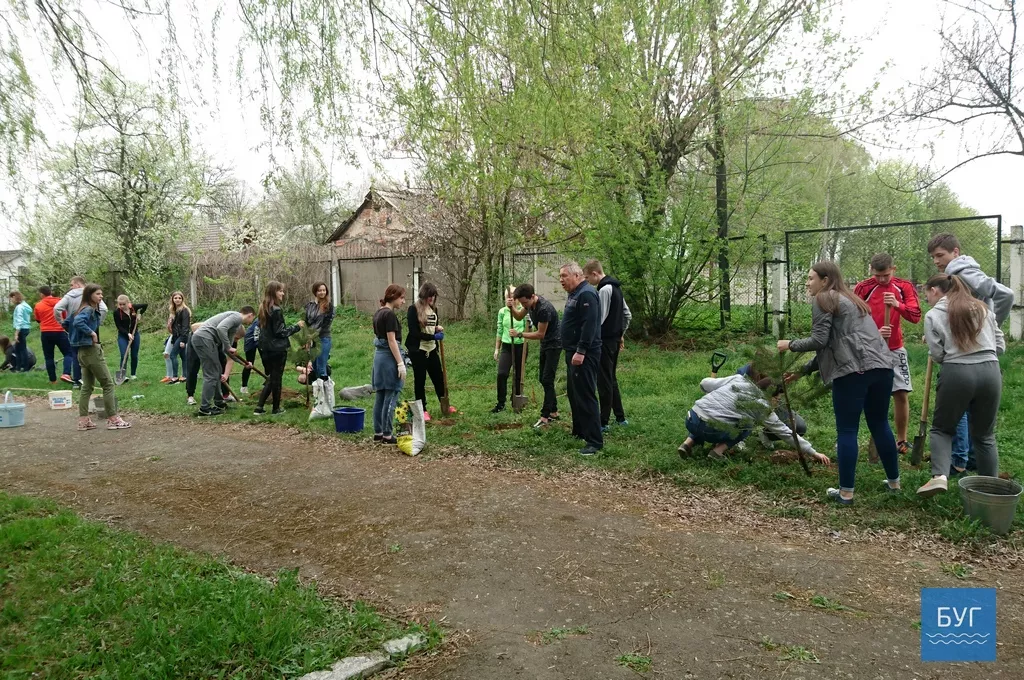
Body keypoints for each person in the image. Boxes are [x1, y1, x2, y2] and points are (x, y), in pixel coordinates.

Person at [778, 261, 900, 506]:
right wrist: (802, 371)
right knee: (879, 423)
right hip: (882, 367)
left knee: (847, 430)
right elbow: (838, 342)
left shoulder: (824, 299)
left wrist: (789, 344)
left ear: (825, 280)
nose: (807, 283)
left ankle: (846, 493)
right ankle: (894, 483)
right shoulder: (853, 300)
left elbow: (819, 340)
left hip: (853, 372)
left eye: (811, 278)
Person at [928, 233, 1015, 474]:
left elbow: (1005, 294)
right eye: (933, 257)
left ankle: (955, 464)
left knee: (950, 423)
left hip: (966, 354)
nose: (936, 261)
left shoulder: (961, 271)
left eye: (940, 255)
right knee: (982, 429)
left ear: (955, 252)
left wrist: (992, 323)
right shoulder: (956, 272)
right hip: (983, 359)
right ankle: (982, 477)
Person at [918, 274, 1005, 496]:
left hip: (957, 372)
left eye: (926, 293)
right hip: (990, 371)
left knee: (942, 429)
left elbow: (938, 355)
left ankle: (939, 476)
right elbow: (1000, 345)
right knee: (985, 436)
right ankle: (990, 491)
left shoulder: (934, 314)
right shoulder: (982, 308)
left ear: (936, 291)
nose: (926, 297)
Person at [678, 366, 831, 464]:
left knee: (706, 413)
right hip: (710, 430)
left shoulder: (738, 379)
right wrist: (813, 452)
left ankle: (687, 444)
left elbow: (705, 383)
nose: (777, 402)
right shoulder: (761, 406)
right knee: (748, 425)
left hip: (691, 418)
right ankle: (717, 452)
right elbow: (785, 432)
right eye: (777, 398)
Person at [853, 253, 921, 455]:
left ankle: (901, 440)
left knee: (900, 393)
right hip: (869, 348)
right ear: (871, 270)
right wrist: (874, 332)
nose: (881, 280)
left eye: (885, 275)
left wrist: (898, 305)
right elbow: (852, 318)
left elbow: (916, 316)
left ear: (893, 269)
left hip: (894, 348)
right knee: (862, 393)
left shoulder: (904, 286)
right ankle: (854, 436)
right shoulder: (863, 287)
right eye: (877, 275)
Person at [69, 283, 130, 431]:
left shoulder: (79, 309)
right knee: (108, 384)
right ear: (90, 295)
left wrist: (76, 337)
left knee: (87, 386)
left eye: (101, 294)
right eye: (98, 294)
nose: (101, 296)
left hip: (81, 352)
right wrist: (91, 333)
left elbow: (67, 322)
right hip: (91, 351)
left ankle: (83, 420)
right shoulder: (88, 309)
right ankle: (113, 418)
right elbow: (77, 322)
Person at [558, 262, 603, 456]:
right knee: (574, 393)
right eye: (560, 277)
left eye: (564, 276)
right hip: (572, 352)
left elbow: (590, 325)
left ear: (577, 275)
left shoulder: (587, 294)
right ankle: (580, 431)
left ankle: (594, 441)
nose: (561, 280)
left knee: (585, 395)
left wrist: (581, 351)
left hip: (584, 354)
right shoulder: (574, 293)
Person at [583, 260, 632, 431]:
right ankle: (620, 417)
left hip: (603, 341)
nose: (588, 281)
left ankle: (603, 421)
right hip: (614, 340)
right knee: (611, 378)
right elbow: (627, 314)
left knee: (604, 381)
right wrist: (621, 334)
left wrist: (590, 342)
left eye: (588, 278)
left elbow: (599, 319)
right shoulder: (616, 286)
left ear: (595, 274)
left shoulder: (604, 289)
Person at [511, 283, 562, 428]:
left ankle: (545, 416)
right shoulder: (529, 304)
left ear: (533, 296)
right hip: (545, 345)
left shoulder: (543, 309)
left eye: (525, 302)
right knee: (544, 379)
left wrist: (520, 334)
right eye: (521, 303)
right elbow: (519, 317)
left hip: (554, 344)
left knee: (547, 379)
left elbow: (540, 334)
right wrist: (511, 307)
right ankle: (554, 411)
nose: (523, 305)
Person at [190, 306, 257, 416]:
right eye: (252, 319)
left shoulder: (234, 326)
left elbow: (227, 350)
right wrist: (228, 346)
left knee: (217, 371)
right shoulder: (237, 317)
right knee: (211, 374)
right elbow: (221, 328)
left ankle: (219, 402)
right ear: (250, 315)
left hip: (205, 339)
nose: (250, 322)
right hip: (203, 338)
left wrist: (244, 364)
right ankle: (204, 408)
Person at [255, 282, 303, 416]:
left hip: (265, 348)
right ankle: (276, 408)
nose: (282, 293)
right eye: (280, 291)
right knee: (276, 379)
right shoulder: (276, 310)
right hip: (276, 349)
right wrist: (297, 326)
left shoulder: (263, 307)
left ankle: (259, 407)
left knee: (271, 378)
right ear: (273, 292)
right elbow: (280, 332)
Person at [405, 282, 450, 422]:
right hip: (418, 350)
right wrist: (432, 336)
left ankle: (445, 404)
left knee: (439, 377)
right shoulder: (413, 309)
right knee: (420, 380)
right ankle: (422, 409)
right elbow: (414, 332)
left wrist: (436, 329)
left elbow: (431, 325)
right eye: (429, 295)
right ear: (423, 295)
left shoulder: (433, 309)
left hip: (431, 349)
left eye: (433, 295)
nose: (431, 298)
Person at [54, 276, 108, 387]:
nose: (70, 287)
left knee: (76, 356)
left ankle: (78, 380)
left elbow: (57, 309)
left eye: (71, 284)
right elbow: (104, 309)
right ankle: (91, 380)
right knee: (92, 356)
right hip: (89, 330)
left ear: (78, 284)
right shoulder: (91, 297)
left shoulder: (69, 297)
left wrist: (64, 324)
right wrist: (96, 325)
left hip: (74, 332)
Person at [372, 284, 407, 444]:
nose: (403, 301)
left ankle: (378, 432)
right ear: (393, 297)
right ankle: (387, 434)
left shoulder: (378, 313)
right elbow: (392, 340)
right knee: (391, 393)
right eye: (401, 298)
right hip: (389, 357)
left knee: (380, 395)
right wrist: (400, 363)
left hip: (379, 357)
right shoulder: (389, 315)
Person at [184, 319, 237, 407]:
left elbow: (230, 359)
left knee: (222, 363)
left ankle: (225, 395)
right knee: (193, 366)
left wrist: (226, 375)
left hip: (213, 344)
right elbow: (193, 326)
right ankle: (190, 395)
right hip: (197, 341)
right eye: (236, 338)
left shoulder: (232, 339)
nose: (235, 340)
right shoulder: (218, 328)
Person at [491, 285, 526, 413]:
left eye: (511, 295)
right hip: (507, 346)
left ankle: (516, 401)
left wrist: (518, 332)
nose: (509, 298)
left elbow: (529, 329)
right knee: (502, 374)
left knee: (518, 375)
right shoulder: (502, 312)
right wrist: (496, 349)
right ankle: (501, 403)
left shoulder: (523, 309)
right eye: (507, 296)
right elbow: (499, 330)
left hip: (520, 346)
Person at [34, 286, 73, 384]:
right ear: (51, 292)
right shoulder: (60, 302)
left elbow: (38, 319)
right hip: (60, 331)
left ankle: (53, 381)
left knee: (49, 357)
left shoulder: (38, 305)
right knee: (68, 353)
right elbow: (64, 316)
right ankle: (66, 373)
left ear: (42, 294)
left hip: (46, 332)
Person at [304, 282, 335, 380]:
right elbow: (307, 322)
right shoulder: (310, 305)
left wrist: (312, 336)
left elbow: (324, 324)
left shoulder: (329, 306)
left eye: (324, 290)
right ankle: (319, 392)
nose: (322, 292)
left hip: (323, 338)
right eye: (319, 290)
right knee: (315, 367)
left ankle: (327, 392)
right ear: (315, 292)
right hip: (312, 340)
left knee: (322, 367)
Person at [113, 295, 147, 380]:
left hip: (135, 334)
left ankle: (133, 374)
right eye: (119, 304)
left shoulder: (133, 308)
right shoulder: (116, 312)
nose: (121, 306)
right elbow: (119, 326)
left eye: (123, 304)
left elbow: (145, 305)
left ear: (128, 303)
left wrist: (140, 314)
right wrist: (127, 334)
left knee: (134, 355)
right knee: (124, 354)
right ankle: (122, 376)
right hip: (123, 336)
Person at [166, 291, 191, 384]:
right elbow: (172, 327)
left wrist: (183, 340)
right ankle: (185, 376)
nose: (177, 300)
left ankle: (175, 377)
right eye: (175, 298)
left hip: (182, 336)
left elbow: (185, 326)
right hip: (176, 336)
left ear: (182, 299)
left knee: (172, 355)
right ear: (172, 299)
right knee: (183, 356)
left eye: (179, 298)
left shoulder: (184, 311)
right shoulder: (173, 311)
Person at [8, 291, 32, 372]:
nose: (11, 301)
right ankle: (18, 367)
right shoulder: (25, 305)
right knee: (18, 349)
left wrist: (16, 334)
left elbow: (19, 321)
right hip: (26, 328)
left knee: (22, 349)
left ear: (14, 297)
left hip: (21, 329)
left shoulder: (19, 307)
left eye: (11, 299)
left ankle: (25, 368)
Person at [240, 315, 261, 395]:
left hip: (260, 340)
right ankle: (244, 387)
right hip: (250, 340)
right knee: (249, 363)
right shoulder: (260, 319)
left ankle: (268, 383)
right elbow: (256, 335)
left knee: (266, 360)